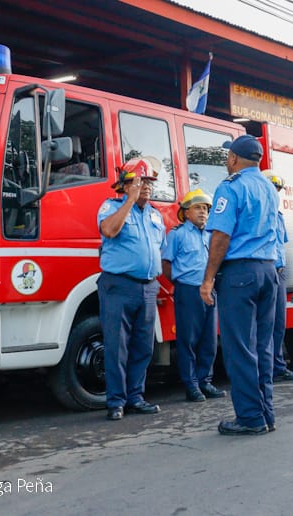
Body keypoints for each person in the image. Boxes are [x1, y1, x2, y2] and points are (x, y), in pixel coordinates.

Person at [199, 134, 279, 436]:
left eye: (227, 157)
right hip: (268, 270)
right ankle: (266, 413)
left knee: (240, 349)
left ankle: (250, 418)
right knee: (263, 347)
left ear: (233, 158)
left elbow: (221, 236)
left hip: (240, 274)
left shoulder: (230, 187)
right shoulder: (269, 187)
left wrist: (208, 278)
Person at [97, 157, 166, 421]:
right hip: (119, 285)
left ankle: (135, 397)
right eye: (139, 181)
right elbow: (109, 230)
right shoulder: (111, 207)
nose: (146, 186)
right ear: (125, 186)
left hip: (148, 288)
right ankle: (116, 402)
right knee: (117, 346)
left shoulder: (155, 214)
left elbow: (158, 248)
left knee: (143, 346)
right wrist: (129, 201)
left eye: (148, 182)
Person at [162, 189, 226, 403]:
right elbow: (166, 264)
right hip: (188, 291)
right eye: (197, 207)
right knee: (188, 340)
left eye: (206, 209)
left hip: (210, 290)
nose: (203, 212)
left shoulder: (211, 235)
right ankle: (191, 385)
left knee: (209, 340)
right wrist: (181, 284)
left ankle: (205, 381)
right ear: (186, 212)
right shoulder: (177, 234)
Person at [269, 174, 293, 382]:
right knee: (266, 324)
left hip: (279, 272)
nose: (275, 193)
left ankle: (278, 366)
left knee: (278, 323)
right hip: (266, 271)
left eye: (277, 190)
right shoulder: (259, 213)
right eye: (272, 188)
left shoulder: (279, 216)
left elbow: (281, 244)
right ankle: (267, 369)